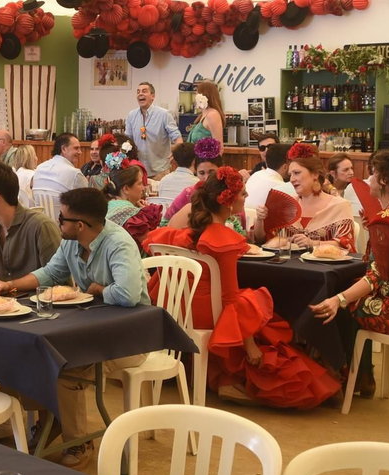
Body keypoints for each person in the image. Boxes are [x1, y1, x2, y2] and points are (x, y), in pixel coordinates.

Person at [143, 168, 339, 410]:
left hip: (175, 307)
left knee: (254, 307)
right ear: (228, 201)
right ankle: (246, 379)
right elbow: (229, 298)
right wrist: (249, 345)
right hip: (204, 313)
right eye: (243, 194)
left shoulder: (185, 234)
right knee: (258, 309)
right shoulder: (224, 239)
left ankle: (229, 378)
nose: (247, 198)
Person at [0, 186, 149, 468]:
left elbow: (128, 295)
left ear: (80, 225)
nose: (57, 221)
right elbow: (52, 273)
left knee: (68, 366)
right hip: (89, 328)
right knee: (30, 354)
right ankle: (52, 421)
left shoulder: (118, 244)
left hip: (130, 337)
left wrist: (98, 289)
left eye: (62, 218)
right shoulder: (71, 241)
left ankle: (79, 440)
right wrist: (11, 286)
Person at [306, 148, 389, 398]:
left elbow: (375, 276)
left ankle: (340, 379)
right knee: (351, 300)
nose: (369, 181)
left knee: (340, 307)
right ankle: (360, 377)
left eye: (374, 174)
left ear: (385, 180)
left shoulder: (387, 219)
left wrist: (339, 300)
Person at [273, 145, 355, 250]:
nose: (292, 179)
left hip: (325, 265)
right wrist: (260, 220)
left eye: (297, 173)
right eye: (290, 175)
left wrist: (313, 243)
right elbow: (265, 238)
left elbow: (346, 245)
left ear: (315, 174)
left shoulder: (340, 205)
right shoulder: (288, 204)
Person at [126, 81, 183, 177]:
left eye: (144, 91)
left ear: (152, 96)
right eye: (138, 92)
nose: (140, 94)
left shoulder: (164, 114)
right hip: (137, 171)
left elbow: (177, 137)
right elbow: (127, 140)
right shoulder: (131, 116)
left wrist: (177, 152)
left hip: (160, 170)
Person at [103, 160, 163, 246]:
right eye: (140, 184)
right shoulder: (132, 215)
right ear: (126, 189)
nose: (143, 188)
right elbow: (151, 246)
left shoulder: (108, 204)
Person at [32, 132, 87, 199]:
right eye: (76, 148)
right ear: (63, 149)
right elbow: (89, 200)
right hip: (64, 209)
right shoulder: (75, 174)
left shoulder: (39, 168)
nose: (80, 152)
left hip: (41, 209)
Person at [243, 140, 291, 216]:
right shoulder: (283, 188)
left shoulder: (255, 175)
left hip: (243, 223)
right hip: (260, 226)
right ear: (285, 167)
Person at [327, 154, 373, 219]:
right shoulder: (324, 188)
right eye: (345, 170)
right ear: (333, 173)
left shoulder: (354, 188)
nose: (351, 172)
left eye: (351, 168)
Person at [187, 79, 225, 147]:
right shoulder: (202, 115)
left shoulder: (212, 115)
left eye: (197, 95)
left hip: (205, 157)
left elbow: (219, 147)